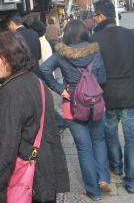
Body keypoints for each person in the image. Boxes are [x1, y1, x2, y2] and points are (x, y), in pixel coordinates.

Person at [0, 31, 69, 203]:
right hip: (45, 173)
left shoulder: (10, 92)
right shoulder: (37, 82)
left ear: (11, 55)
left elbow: (5, 148)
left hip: (25, 181)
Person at [40, 20, 112, 201]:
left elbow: (44, 68)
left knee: (83, 148)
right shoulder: (95, 50)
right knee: (99, 140)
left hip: (72, 105)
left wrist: (59, 89)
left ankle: (93, 191)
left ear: (67, 34)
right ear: (85, 32)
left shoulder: (61, 53)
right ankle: (103, 178)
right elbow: (103, 77)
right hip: (95, 103)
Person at [92, 0, 134, 194]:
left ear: (101, 16)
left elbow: (93, 69)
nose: (94, 19)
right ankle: (131, 180)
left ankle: (116, 165)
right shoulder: (132, 34)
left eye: (95, 16)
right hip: (130, 93)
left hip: (107, 95)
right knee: (132, 137)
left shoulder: (95, 39)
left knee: (109, 132)